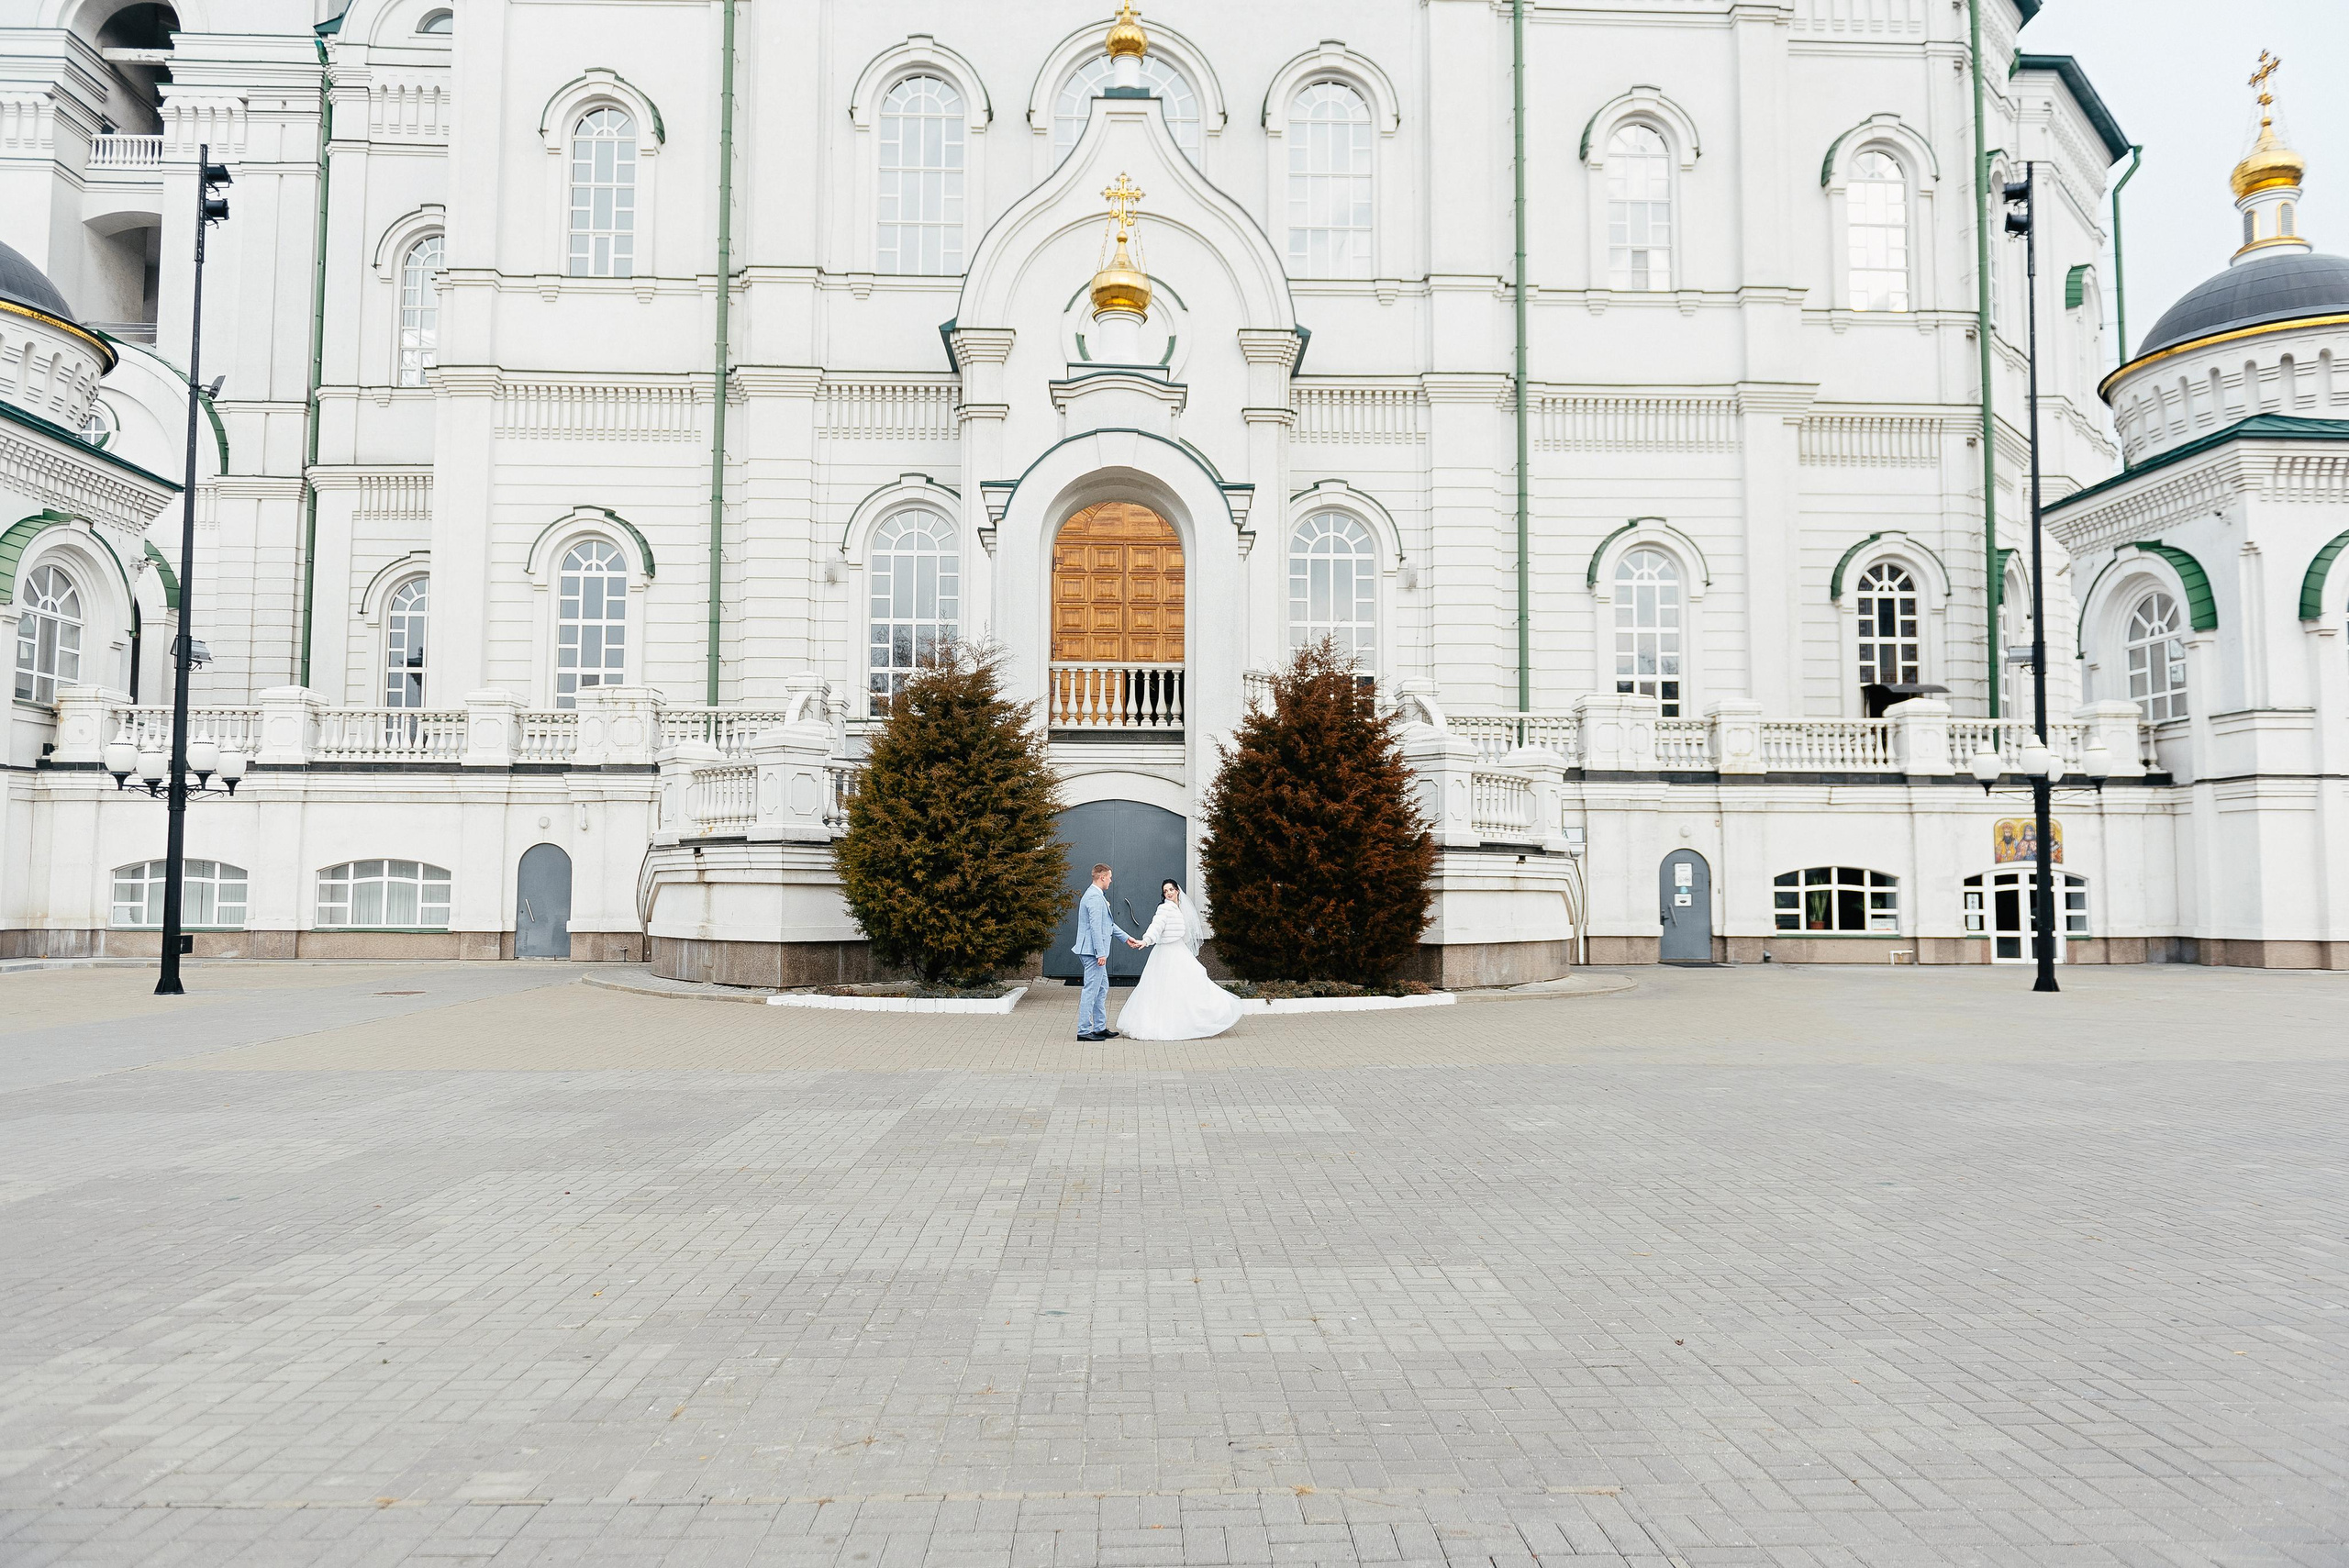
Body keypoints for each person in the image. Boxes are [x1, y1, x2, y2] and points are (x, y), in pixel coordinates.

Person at [1115, 878, 1246, 1041]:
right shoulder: (1164, 909)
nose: (1168, 893)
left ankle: (1204, 1018)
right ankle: (1164, 1025)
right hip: (1165, 953)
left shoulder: (1181, 909)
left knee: (1193, 980)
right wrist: (1146, 940)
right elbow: (1156, 926)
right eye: (1165, 891)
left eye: (1171, 889)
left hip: (1179, 950)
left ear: (1177, 890)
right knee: (1163, 989)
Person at [1071, 862, 1136, 1041]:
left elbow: (1108, 925)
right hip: (1093, 953)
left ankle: (1099, 1028)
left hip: (1095, 952)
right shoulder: (1093, 897)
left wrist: (1126, 938)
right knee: (1091, 991)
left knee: (1101, 989)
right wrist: (1101, 953)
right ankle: (1083, 1031)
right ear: (1102, 877)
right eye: (1109, 877)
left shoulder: (1097, 895)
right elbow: (1095, 928)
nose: (1111, 880)